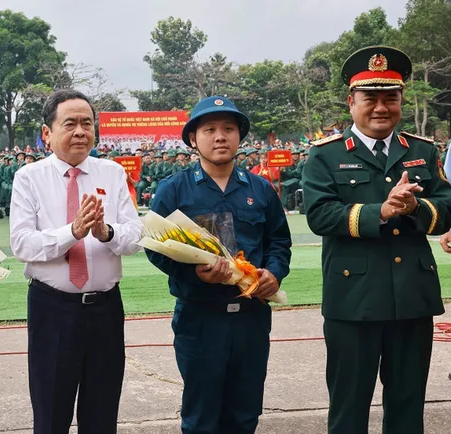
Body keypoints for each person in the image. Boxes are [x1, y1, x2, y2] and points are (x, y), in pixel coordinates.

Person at [302, 46, 451, 434]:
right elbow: (319, 215)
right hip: (353, 300)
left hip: (412, 298)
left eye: (391, 97)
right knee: (349, 406)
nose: (381, 107)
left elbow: (446, 208)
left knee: (407, 404)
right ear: (352, 102)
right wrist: (380, 211)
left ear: (401, 100)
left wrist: (416, 207)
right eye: (371, 98)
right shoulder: (325, 156)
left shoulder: (421, 150)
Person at [146, 95, 292, 434]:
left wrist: (274, 272)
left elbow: (279, 242)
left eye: (229, 128)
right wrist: (192, 272)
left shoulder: (261, 189)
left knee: (244, 414)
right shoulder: (174, 190)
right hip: (200, 318)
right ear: (193, 139)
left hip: (252, 317)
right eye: (209, 129)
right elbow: (155, 248)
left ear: (240, 136)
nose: (220, 136)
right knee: (201, 417)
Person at [9, 89, 142, 434]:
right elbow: (22, 244)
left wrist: (106, 231)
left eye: (87, 123)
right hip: (52, 309)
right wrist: (74, 231)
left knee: (102, 413)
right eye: (70, 123)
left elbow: (135, 236)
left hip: (106, 310)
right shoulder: (29, 178)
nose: (81, 131)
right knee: (51, 414)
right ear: (46, 133)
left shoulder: (112, 173)